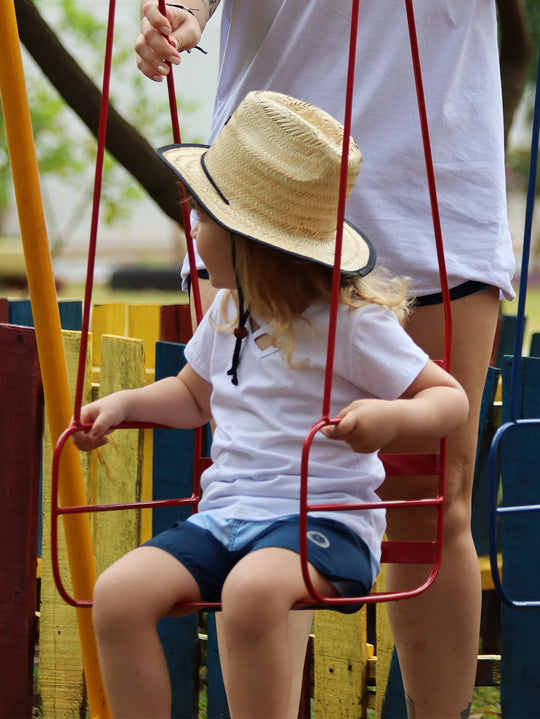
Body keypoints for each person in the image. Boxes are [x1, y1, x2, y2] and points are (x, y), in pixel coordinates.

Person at [135, 3, 516, 717]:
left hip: (431, 165)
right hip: (262, 174)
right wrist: (184, 10)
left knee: (433, 498)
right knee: (270, 484)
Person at [73, 91, 469, 719]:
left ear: (251, 240)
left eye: (203, 216)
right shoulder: (228, 312)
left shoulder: (352, 325)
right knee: (118, 594)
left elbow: (449, 400)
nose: (192, 229)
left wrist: (390, 419)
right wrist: (124, 404)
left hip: (325, 526)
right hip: (227, 518)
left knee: (252, 593)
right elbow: (190, 396)